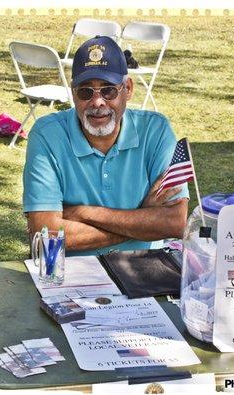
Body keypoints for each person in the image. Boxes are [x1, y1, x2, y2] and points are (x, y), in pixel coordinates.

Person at [23, 36, 189, 256]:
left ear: (127, 89)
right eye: (85, 91)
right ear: (73, 94)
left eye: (108, 90)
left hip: (143, 271)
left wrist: (83, 213)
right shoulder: (47, 135)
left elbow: (174, 223)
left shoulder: (155, 130)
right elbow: (46, 236)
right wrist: (142, 219)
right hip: (69, 275)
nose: (97, 102)